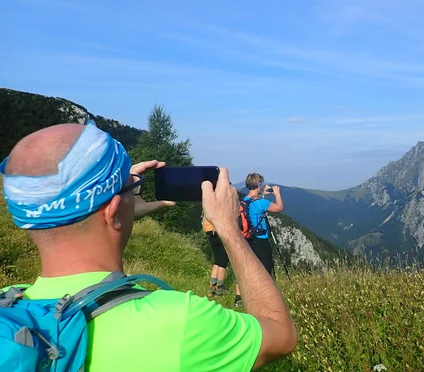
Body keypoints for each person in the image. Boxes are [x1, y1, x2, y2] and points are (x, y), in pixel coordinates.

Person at [0, 122, 297, 371]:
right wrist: (230, 230)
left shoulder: (8, 307)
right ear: (113, 210)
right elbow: (280, 335)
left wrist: (122, 206)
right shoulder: (179, 321)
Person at [234, 173, 283, 307]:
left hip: (246, 238)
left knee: (246, 267)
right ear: (259, 185)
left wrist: (263, 195)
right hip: (260, 239)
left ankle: (239, 297)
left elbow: (254, 206)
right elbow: (279, 208)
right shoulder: (262, 203)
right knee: (265, 268)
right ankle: (263, 297)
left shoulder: (244, 200)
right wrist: (277, 193)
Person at [201, 211, 231, 298]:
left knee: (217, 261)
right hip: (219, 233)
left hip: (210, 233)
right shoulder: (220, 204)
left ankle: (211, 287)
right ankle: (219, 289)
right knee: (223, 262)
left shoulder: (208, 204)